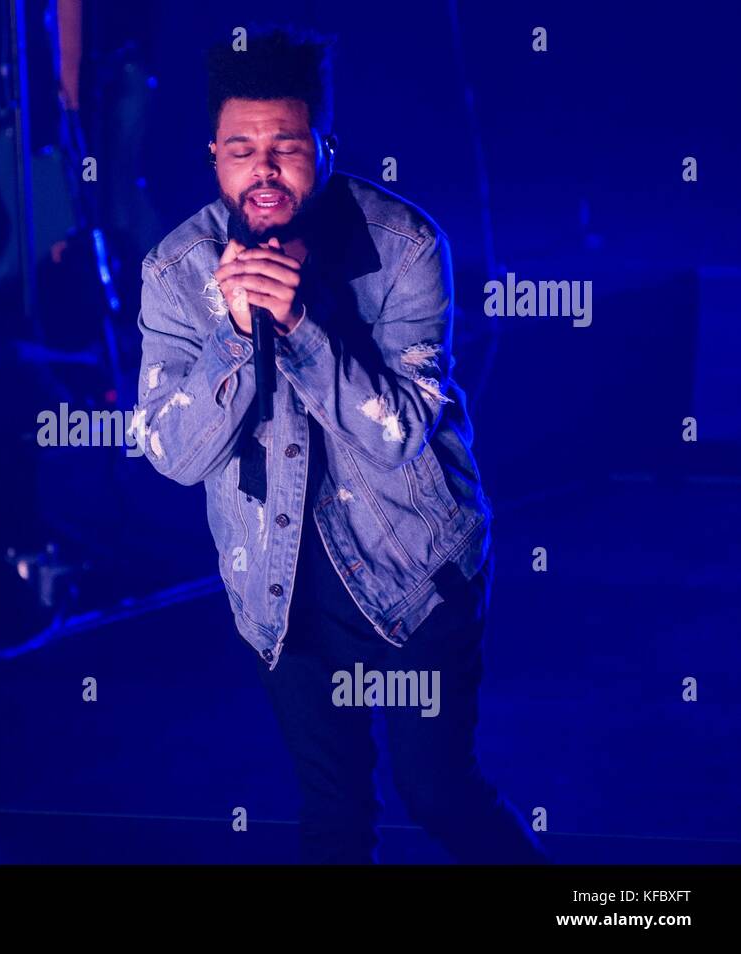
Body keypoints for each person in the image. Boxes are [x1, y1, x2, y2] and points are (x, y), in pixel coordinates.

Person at [131, 26, 546, 864]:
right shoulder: (176, 272)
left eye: (286, 146)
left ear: (324, 145)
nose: (265, 170)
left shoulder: (404, 247)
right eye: (242, 149)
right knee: (330, 814)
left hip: (416, 570)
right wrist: (229, 332)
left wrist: (297, 325)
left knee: (440, 794)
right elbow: (170, 456)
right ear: (213, 153)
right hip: (278, 593)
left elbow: (398, 435)